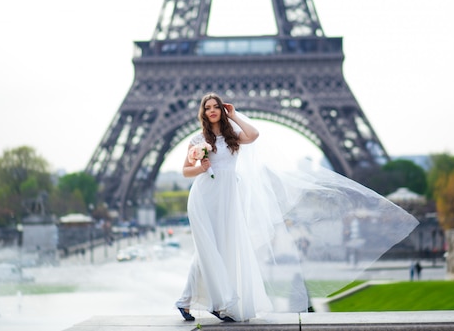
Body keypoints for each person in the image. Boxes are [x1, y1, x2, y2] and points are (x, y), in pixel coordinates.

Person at [175, 93, 419, 322]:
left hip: (228, 197)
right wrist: (200, 168)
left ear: (221, 109)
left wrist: (235, 114)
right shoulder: (198, 140)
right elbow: (186, 170)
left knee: (223, 247)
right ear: (203, 113)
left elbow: (254, 134)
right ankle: (217, 303)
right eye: (207, 108)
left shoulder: (233, 135)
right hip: (205, 196)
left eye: (216, 106)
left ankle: (192, 301)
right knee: (208, 246)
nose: (212, 111)